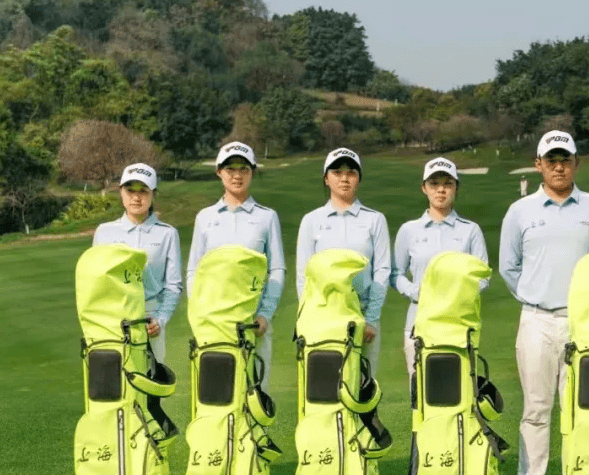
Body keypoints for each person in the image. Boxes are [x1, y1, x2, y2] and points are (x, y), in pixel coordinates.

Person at [499, 130, 589, 475]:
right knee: (536, 408)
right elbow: (508, 267)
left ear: (576, 163)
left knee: (580, 409)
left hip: (584, 324)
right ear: (539, 165)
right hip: (537, 321)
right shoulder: (520, 211)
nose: (559, 166)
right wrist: (534, 295)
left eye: (565, 159)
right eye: (552, 160)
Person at [186, 142, 285, 393]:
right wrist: (199, 313)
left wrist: (265, 314)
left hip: (252, 322)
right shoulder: (205, 218)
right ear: (219, 172)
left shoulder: (266, 217)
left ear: (252, 172)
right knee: (216, 396)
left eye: (244, 169)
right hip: (213, 322)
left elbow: (276, 270)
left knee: (255, 397)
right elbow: (194, 271)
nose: (237, 175)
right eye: (230, 169)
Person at [391, 157, 488, 376]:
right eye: (434, 184)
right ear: (424, 188)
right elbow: (396, 274)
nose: (441, 190)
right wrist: (416, 292)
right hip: (418, 323)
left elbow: (483, 277)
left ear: (456, 188)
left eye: (447, 184)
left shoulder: (470, 230)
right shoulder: (409, 230)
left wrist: (456, 294)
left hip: (459, 324)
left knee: (461, 390)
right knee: (421, 390)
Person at [297, 148, 390, 371]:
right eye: (337, 172)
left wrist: (371, 318)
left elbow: (382, 270)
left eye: (351, 173)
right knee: (323, 384)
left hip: (362, 317)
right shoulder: (311, 220)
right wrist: (308, 316)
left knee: (363, 384)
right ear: (326, 179)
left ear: (359, 179)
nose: (345, 178)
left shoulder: (375, 220)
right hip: (322, 317)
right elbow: (303, 275)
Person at [93, 164, 183, 365]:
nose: (136, 197)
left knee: (152, 379)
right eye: (130, 191)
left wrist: (160, 319)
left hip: (150, 318)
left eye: (143, 191)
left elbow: (173, 285)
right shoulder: (104, 232)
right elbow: (97, 283)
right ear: (121, 193)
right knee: (115, 380)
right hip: (114, 317)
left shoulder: (168, 234)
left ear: (153, 195)